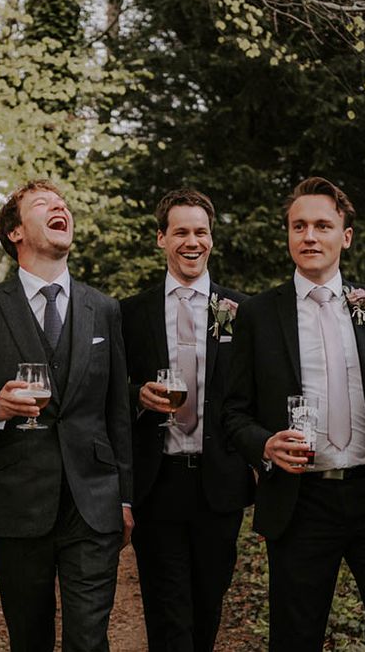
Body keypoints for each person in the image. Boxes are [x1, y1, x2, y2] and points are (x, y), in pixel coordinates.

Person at [0, 179, 133, 652]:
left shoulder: (104, 309)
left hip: (93, 500)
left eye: (64, 204)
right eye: (44, 204)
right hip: (18, 502)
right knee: (28, 637)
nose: (60, 209)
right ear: (14, 232)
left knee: (89, 640)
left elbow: (117, 411)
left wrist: (126, 497)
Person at [222, 177, 365, 651]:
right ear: (287, 235)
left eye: (322, 225)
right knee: (295, 637)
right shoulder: (258, 315)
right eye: (298, 226)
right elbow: (233, 412)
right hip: (301, 502)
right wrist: (263, 444)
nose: (309, 236)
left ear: (345, 236)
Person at [120, 189, 253, 652]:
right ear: (161, 238)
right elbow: (111, 388)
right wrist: (138, 394)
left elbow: (253, 394)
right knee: (166, 609)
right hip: (159, 483)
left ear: (211, 239)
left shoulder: (241, 311)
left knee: (207, 606)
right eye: (180, 232)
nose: (191, 241)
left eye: (200, 232)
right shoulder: (130, 313)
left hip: (220, 483)